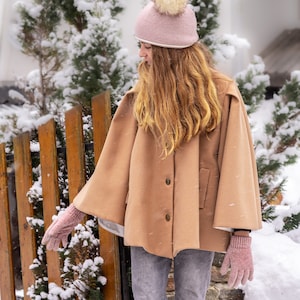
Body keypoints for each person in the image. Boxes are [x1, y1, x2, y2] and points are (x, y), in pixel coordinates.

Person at [42, 0, 262, 299]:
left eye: (147, 46)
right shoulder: (140, 96)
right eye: (140, 44)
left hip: (199, 214)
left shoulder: (222, 95)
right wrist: (76, 211)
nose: (141, 53)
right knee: (145, 295)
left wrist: (241, 234)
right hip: (147, 213)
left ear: (170, 50)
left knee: (192, 295)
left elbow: (238, 166)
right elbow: (115, 162)